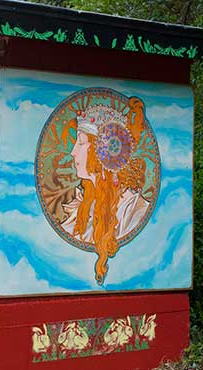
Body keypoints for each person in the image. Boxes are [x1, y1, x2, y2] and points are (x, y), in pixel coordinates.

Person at [60, 100, 150, 285]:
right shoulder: (83, 206)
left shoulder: (133, 209)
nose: (73, 152)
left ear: (101, 154)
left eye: (81, 142)